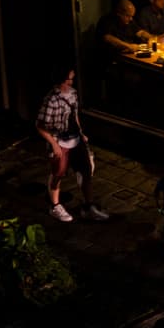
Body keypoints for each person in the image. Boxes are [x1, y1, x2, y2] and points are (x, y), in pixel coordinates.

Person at [35, 66, 110, 223]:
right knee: (58, 173)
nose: (72, 81)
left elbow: (74, 116)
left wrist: (81, 133)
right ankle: (55, 206)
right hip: (59, 140)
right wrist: (54, 145)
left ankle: (88, 207)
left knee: (86, 170)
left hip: (75, 139)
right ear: (62, 80)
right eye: (69, 78)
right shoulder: (52, 100)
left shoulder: (73, 94)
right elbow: (40, 125)